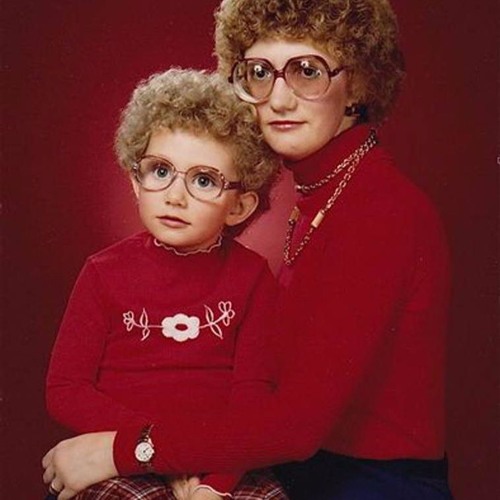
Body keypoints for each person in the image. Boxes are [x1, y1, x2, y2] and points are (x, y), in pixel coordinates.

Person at [42, 0, 453, 498]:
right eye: (259, 72)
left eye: (307, 71)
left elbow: (293, 425)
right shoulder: (320, 194)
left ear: (359, 85)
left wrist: (123, 449)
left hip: (371, 483)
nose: (278, 100)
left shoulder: (382, 210)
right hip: (292, 467)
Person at [43, 67, 287, 500]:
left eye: (204, 180)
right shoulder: (103, 272)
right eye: (160, 171)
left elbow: (252, 402)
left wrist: (215, 486)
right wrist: (153, 449)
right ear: (136, 181)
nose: (175, 195)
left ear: (239, 206)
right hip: (120, 456)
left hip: (222, 464)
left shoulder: (252, 278)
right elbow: (66, 390)